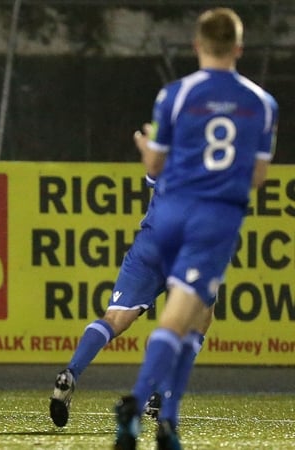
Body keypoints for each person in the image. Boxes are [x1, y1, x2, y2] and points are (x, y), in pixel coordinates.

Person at [114, 8, 278, 450]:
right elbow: (259, 178)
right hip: (214, 218)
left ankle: (166, 421)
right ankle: (142, 406)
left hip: (169, 215)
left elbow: (155, 164)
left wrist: (145, 148)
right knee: (187, 316)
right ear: (240, 48)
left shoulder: (175, 95)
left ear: (197, 46)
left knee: (189, 316)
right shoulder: (262, 104)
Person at [49, 180, 215, 428]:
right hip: (189, 245)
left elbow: (152, 166)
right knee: (198, 320)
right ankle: (160, 393)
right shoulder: (219, 154)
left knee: (114, 319)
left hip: (151, 242)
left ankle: (71, 372)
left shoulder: (168, 146)